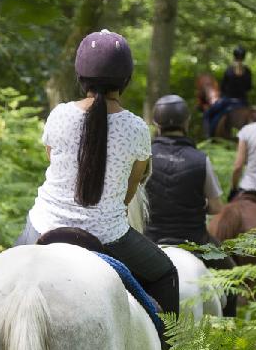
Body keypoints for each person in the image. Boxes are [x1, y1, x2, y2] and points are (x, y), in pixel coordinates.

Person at [14, 29, 180, 323]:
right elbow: (128, 196)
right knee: (166, 274)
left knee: (3, 276)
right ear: (125, 80)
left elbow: (53, 161)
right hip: (108, 235)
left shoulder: (60, 115)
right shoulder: (136, 129)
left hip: (44, 225)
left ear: (81, 76)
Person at [144, 94, 238, 317]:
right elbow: (216, 207)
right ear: (186, 122)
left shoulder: (144, 156)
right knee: (232, 278)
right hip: (194, 241)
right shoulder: (200, 159)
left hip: (150, 240)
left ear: (156, 125)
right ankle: (229, 337)